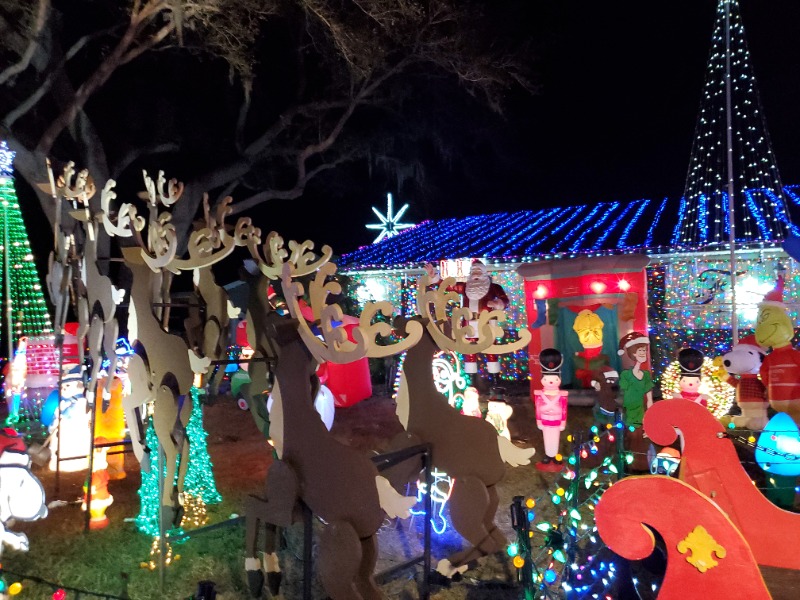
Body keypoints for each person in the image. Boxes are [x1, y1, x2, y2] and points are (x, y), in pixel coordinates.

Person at [424, 260, 509, 378]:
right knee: (469, 350)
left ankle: (494, 379)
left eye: (478, 271)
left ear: (484, 273)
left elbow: (505, 300)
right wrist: (434, 276)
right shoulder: (465, 287)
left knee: (491, 349)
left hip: (487, 324)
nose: (476, 274)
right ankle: (472, 378)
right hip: (468, 324)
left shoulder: (494, 288)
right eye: (473, 271)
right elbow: (448, 286)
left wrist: (497, 303)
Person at [533, 348, 568, 471]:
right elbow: (538, 408)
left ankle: (555, 455)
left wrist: (563, 422)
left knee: (555, 437)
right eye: (547, 379)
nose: (551, 382)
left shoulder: (562, 395)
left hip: (557, 420)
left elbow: (563, 409)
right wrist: (539, 421)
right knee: (547, 437)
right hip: (545, 420)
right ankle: (548, 455)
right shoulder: (539, 394)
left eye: (554, 379)